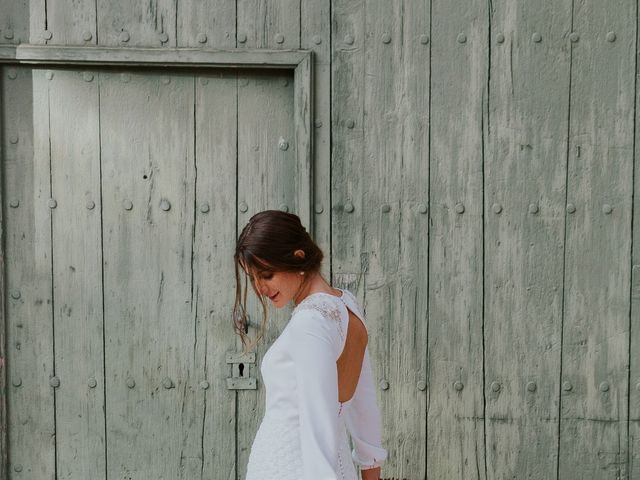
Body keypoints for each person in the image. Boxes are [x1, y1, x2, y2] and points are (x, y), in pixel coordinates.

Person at [233, 210, 388, 480]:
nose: (260, 288)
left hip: (291, 470)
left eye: (267, 275)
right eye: (253, 278)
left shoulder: (310, 322)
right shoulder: (348, 305)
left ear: (298, 257)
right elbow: (365, 409)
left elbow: (317, 426)